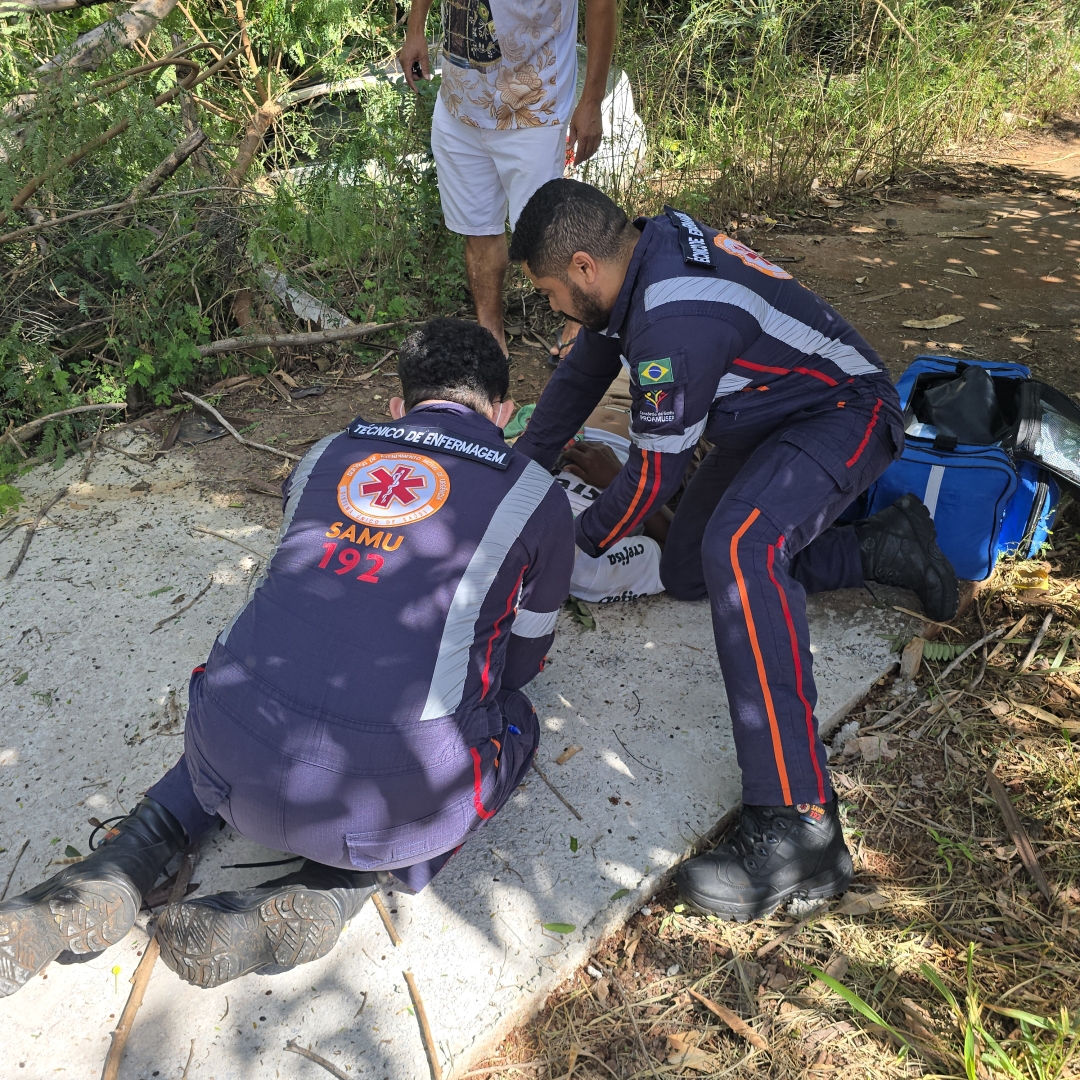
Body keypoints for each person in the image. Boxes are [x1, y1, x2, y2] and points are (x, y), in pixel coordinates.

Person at [0, 318, 575, 996]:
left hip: (228, 749)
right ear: (504, 414)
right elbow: (519, 666)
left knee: (261, 687)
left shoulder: (330, 449)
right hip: (390, 796)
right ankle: (337, 888)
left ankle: (130, 854)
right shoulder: (535, 493)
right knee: (517, 721)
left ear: (399, 405)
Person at [508, 179, 958, 921]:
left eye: (551, 291)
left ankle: (799, 820)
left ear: (583, 266)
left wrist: (556, 549)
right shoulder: (639, 260)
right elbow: (578, 379)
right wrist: (511, 496)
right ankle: (879, 549)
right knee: (690, 570)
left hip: (844, 413)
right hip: (770, 418)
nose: (553, 308)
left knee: (743, 549)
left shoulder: (672, 321)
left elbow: (653, 474)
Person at [398, 0, 616, 359]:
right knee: (479, 231)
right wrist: (416, 28)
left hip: (535, 105)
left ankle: (581, 333)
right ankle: (491, 344)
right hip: (460, 105)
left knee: (552, 235)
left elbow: (602, 5)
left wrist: (592, 100)